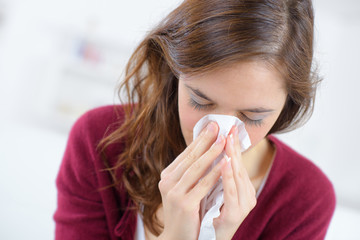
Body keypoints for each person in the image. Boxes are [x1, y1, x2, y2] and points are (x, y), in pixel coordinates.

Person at [54, 0, 336, 239]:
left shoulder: (306, 199)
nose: (219, 132)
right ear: (173, 72)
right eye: (200, 100)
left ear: (287, 107)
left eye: (252, 116)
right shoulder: (100, 139)